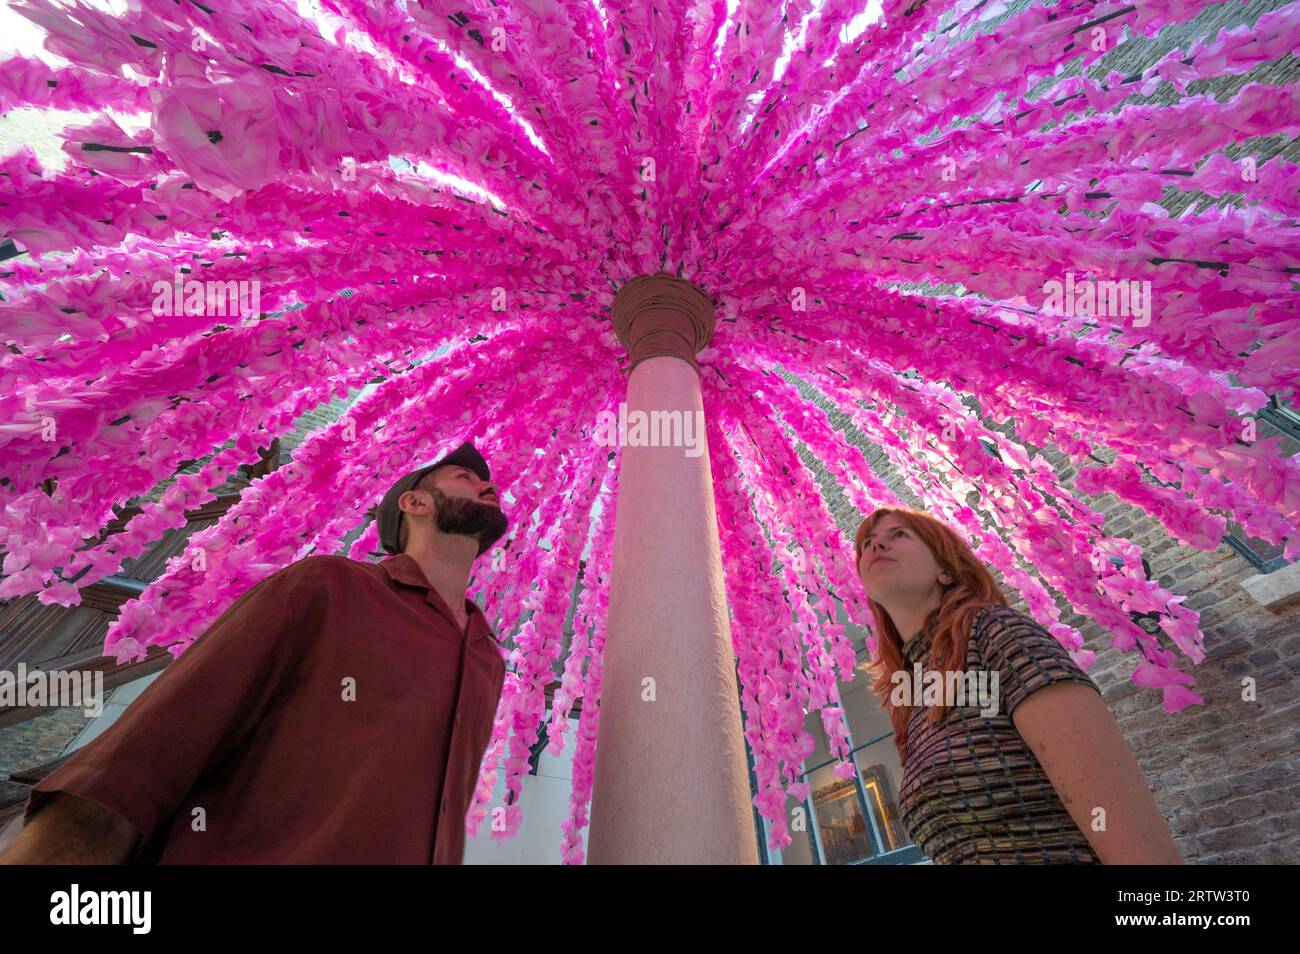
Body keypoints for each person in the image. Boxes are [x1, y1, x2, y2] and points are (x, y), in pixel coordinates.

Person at [0, 441, 509, 864]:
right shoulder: (329, 587)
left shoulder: (488, 659)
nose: (488, 484)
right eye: (465, 476)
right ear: (414, 504)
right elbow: (164, 736)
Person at [855, 505, 1183, 864]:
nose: (876, 547)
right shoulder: (915, 695)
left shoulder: (996, 633)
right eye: (867, 543)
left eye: (897, 535)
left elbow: (1131, 836)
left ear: (946, 571)